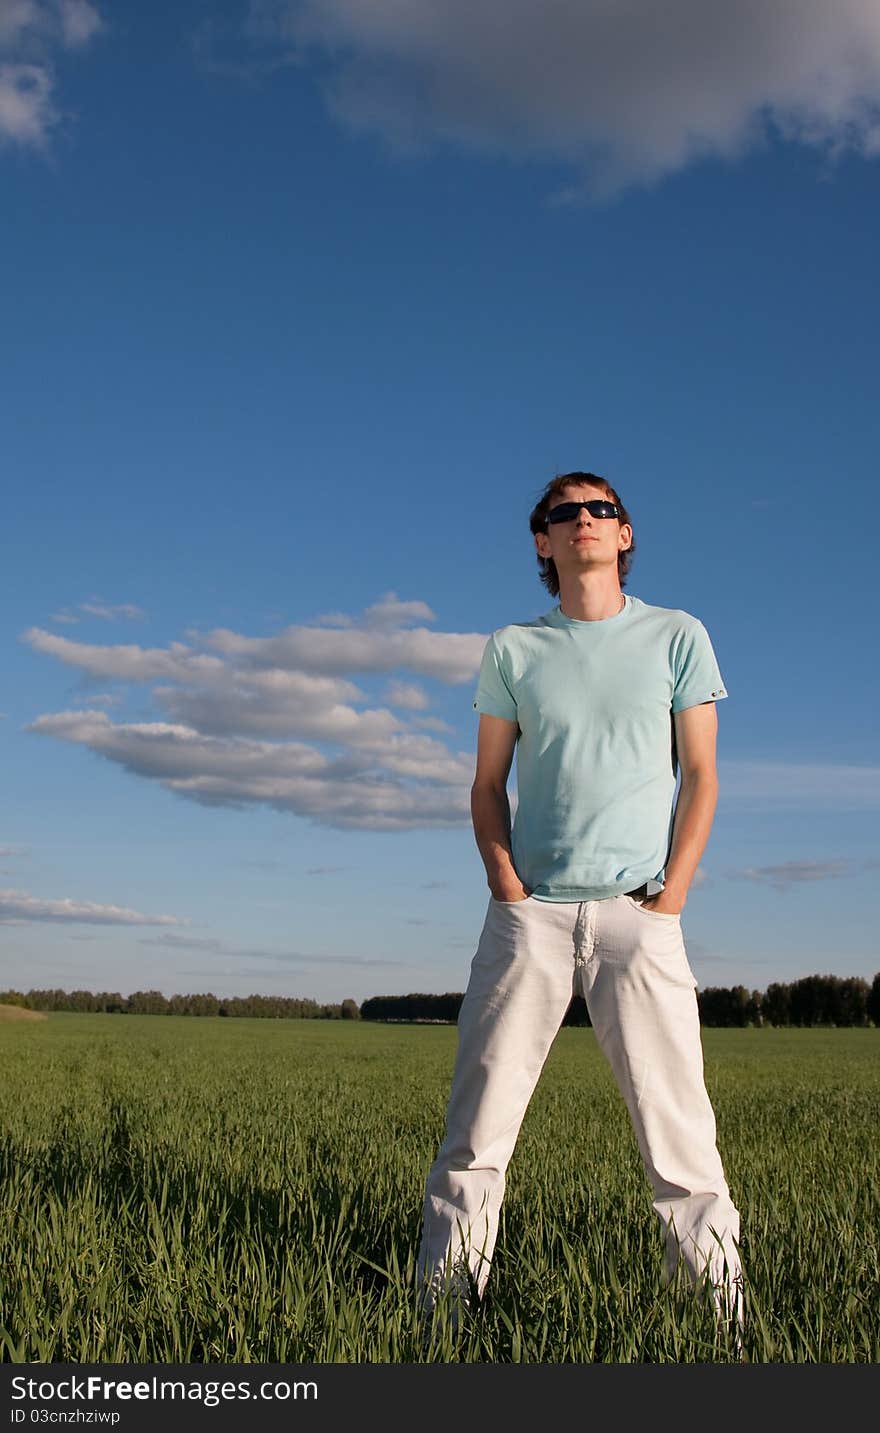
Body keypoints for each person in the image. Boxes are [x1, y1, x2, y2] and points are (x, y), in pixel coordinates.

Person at [416, 470, 743, 1343]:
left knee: (681, 1140)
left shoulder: (678, 636)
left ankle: (720, 1322)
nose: (588, 521)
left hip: (642, 917)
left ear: (626, 535)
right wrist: (506, 885)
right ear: (543, 542)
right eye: (569, 512)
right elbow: (487, 783)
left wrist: (670, 896)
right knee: (477, 1133)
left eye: (604, 510)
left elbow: (702, 775)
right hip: (531, 918)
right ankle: (441, 1316)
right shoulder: (513, 650)